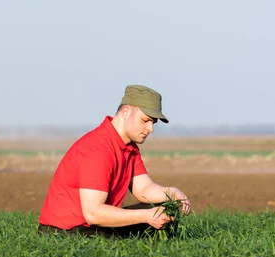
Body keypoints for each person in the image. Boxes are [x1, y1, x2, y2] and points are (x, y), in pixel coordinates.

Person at [37, 84, 192, 238]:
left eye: (153, 123)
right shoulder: (97, 149)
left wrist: (174, 193)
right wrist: (146, 216)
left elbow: (144, 189)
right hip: (66, 232)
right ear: (126, 112)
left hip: (93, 225)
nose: (150, 128)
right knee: (146, 222)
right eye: (145, 120)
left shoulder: (129, 147)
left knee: (164, 208)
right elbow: (93, 213)